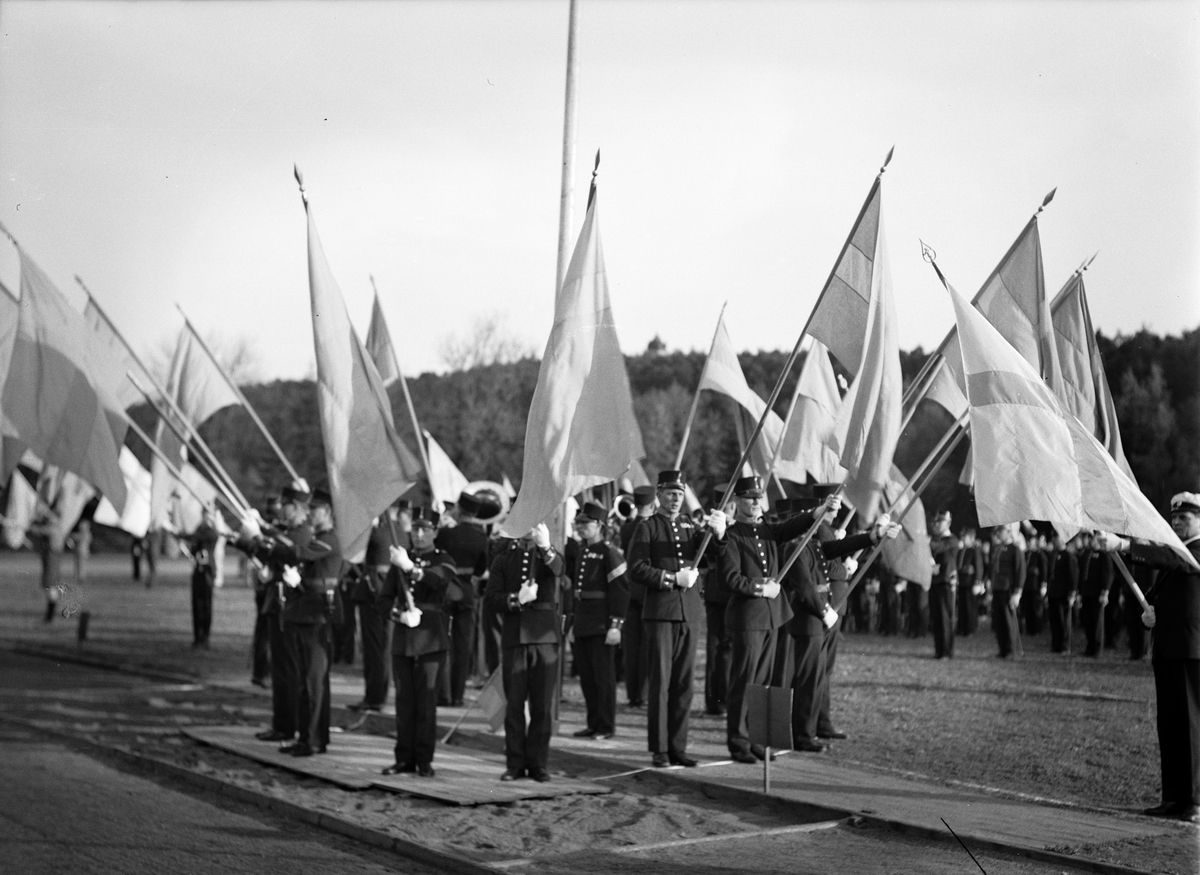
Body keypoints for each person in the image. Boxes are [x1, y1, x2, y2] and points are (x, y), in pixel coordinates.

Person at [1096, 491, 1200, 823]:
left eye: (1184, 518)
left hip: (1192, 652)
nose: (1177, 523)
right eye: (1174, 518)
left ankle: (1195, 800)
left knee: (1191, 727)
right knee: (1170, 727)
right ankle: (1174, 797)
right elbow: (1160, 594)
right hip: (1168, 648)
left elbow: (1178, 561)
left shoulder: (1193, 551)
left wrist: (1125, 546)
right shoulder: (1177, 553)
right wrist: (1150, 612)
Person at [715, 478, 822, 763]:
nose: (755, 503)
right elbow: (730, 578)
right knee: (744, 680)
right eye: (749, 498)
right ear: (736, 501)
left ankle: (756, 739)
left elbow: (795, 526)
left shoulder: (767, 531)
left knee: (762, 682)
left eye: (758, 497)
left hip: (772, 617)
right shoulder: (731, 535)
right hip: (748, 617)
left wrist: (820, 511)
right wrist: (762, 588)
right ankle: (738, 742)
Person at [782, 494, 896, 752]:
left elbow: (840, 549)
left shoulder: (812, 545)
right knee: (808, 679)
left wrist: (874, 535)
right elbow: (804, 587)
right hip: (808, 618)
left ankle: (808, 731)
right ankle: (802, 734)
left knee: (815, 676)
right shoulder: (795, 547)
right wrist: (824, 611)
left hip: (817, 619)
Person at [626, 470, 721, 768]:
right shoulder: (648, 527)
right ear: (659, 495)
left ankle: (678, 746)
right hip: (661, 612)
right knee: (661, 682)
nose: (675, 499)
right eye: (670, 493)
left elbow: (710, 558)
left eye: (679, 494)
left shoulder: (689, 526)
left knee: (684, 684)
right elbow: (637, 568)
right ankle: (660, 748)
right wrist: (670, 578)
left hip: (689, 612)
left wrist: (718, 535)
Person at [485, 522, 564, 782]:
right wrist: (516, 599)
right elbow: (492, 599)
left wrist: (545, 546)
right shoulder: (504, 559)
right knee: (515, 704)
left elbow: (559, 570)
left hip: (544, 637)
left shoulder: (549, 554)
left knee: (542, 706)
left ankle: (538, 763)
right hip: (516, 637)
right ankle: (515, 763)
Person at [379, 507, 454, 777]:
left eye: (425, 530)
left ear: (435, 532)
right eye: (415, 529)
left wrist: (411, 568)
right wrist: (398, 614)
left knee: (425, 702)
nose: (419, 534)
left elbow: (439, 580)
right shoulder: (401, 559)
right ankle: (403, 758)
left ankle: (424, 758)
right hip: (404, 637)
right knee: (404, 702)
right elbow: (384, 600)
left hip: (430, 639)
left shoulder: (442, 558)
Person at [239, 484, 309, 745]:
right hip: (276, 602)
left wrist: (259, 535)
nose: (282, 509)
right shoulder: (289, 530)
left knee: (288, 669)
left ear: (297, 508)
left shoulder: (303, 532)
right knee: (279, 668)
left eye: (287, 505)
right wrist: (252, 533)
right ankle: (281, 724)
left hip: (288, 605)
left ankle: (288, 725)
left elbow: (285, 548)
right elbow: (273, 543)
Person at [566, 502, 629, 739]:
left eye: (586, 523)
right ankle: (593, 723)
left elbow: (621, 591)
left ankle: (605, 726)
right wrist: (573, 622)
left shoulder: (608, 552)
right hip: (583, 621)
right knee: (588, 678)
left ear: (599, 525)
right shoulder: (582, 551)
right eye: (579, 523)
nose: (580, 527)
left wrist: (616, 625)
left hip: (602, 623)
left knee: (603, 678)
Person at [349, 501, 408, 713]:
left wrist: (367, 526)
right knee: (382, 647)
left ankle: (374, 696)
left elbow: (353, 549)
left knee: (374, 648)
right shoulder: (401, 532)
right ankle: (376, 694)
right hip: (389, 592)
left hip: (374, 592)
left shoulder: (376, 533)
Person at [435, 491, 492, 706]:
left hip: (446, 588)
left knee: (442, 641)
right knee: (462, 644)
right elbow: (480, 569)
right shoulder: (481, 538)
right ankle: (457, 695)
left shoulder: (445, 534)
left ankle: (443, 694)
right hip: (467, 591)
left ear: (459, 509)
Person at [619, 485, 656, 709]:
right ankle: (642, 693)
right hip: (648, 589)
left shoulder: (627, 528)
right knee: (646, 647)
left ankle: (633, 693)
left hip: (630, 590)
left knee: (631, 647)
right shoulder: (652, 527)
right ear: (652, 504)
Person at [703, 489, 734, 717]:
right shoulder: (715, 528)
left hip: (722, 590)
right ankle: (717, 701)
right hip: (720, 591)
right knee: (719, 650)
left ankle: (719, 700)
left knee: (722, 650)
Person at [187, 506, 222, 649]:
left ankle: (205, 637)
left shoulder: (212, 531)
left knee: (206, 606)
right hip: (198, 571)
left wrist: (185, 535)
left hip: (208, 571)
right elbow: (193, 546)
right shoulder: (199, 529)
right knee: (196, 605)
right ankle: (197, 637)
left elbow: (203, 538)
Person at [989, 523, 1026, 658]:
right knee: (999, 621)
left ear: (1009, 532)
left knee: (1009, 620)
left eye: (1001, 531)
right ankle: (1003, 648)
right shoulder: (998, 548)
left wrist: (1018, 592)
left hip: (1008, 589)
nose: (999, 533)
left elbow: (1020, 571)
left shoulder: (1015, 550)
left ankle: (1012, 650)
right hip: (997, 588)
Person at [928, 510, 960, 659]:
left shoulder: (952, 540)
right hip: (936, 581)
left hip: (946, 582)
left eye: (939, 522)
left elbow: (937, 547)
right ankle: (939, 650)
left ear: (947, 523)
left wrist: (924, 539)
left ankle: (946, 651)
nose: (937, 525)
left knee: (945, 618)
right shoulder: (939, 539)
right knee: (937, 618)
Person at [1079, 533, 1112, 657]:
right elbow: (1082, 573)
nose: (1088, 540)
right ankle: (1090, 646)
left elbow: (1108, 574)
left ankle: (1097, 648)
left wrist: (1105, 591)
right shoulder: (1087, 554)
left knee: (1097, 621)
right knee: (1088, 621)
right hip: (1087, 592)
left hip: (1098, 593)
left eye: (1090, 538)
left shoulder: (1104, 555)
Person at [1046, 533, 1079, 655]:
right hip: (1053, 593)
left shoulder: (1068, 556)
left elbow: (1073, 576)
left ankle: (1065, 646)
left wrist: (1072, 593)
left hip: (1063, 594)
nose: (1055, 541)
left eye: (1057, 538)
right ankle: (1056, 644)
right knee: (1054, 621)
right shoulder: (1053, 555)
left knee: (1064, 621)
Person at [956, 528, 983, 636]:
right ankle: (962, 628)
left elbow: (979, 566)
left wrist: (977, 582)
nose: (963, 538)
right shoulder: (962, 550)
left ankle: (970, 629)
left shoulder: (974, 550)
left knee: (969, 607)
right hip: (962, 581)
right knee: (962, 606)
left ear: (971, 538)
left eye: (965, 536)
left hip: (970, 581)